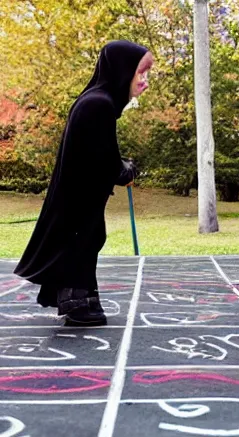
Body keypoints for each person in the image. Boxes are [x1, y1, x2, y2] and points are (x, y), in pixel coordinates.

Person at [14, 41, 154, 326]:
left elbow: (100, 152)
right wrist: (123, 170)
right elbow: (101, 159)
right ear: (123, 70)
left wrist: (119, 166)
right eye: (141, 73)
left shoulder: (98, 102)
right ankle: (75, 299)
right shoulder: (98, 104)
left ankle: (82, 296)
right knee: (83, 238)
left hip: (82, 198)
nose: (145, 81)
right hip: (77, 199)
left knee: (91, 237)